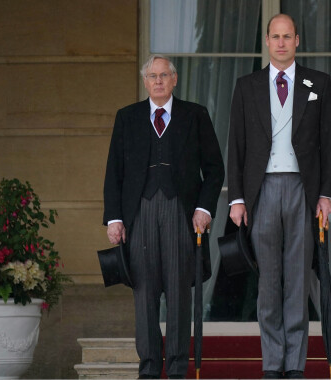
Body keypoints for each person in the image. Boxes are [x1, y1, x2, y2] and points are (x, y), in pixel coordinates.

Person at [227, 13, 331, 380]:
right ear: (266, 40)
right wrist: (237, 198)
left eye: (287, 36)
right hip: (262, 191)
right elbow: (236, 147)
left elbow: (329, 145)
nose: (280, 43)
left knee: (298, 279)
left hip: (302, 190)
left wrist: (326, 195)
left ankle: (295, 364)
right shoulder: (247, 86)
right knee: (268, 281)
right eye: (275, 36)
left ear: (297, 40)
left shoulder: (318, 82)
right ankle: (272, 362)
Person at [103, 54, 224, 379]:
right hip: (139, 214)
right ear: (145, 82)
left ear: (174, 80)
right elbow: (114, 171)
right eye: (152, 76)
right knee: (143, 294)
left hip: (180, 213)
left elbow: (214, 168)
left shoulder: (195, 115)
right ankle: (149, 370)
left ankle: (177, 369)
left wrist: (204, 208)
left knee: (179, 293)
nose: (158, 80)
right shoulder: (127, 117)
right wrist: (114, 218)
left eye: (164, 75)